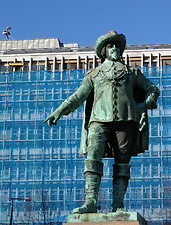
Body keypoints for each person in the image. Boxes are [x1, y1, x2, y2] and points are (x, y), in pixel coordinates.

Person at [44, 31, 160, 214]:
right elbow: (78, 96)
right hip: (98, 121)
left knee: (122, 161)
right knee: (92, 157)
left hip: (125, 121)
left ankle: (118, 204)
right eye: (110, 46)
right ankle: (90, 201)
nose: (114, 49)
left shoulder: (132, 73)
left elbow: (153, 90)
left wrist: (141, 106)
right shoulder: (94, 74)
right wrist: (59, 111)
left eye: (117, 46)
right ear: (103, 51)